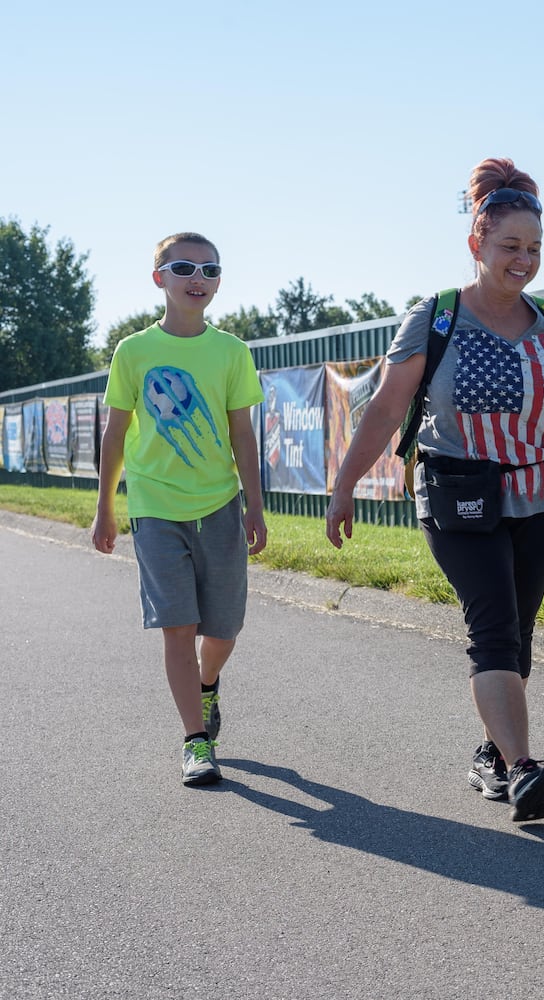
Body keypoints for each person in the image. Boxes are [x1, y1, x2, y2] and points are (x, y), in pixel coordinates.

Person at [325, 157, 544, 823]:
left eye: (534, 249)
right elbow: (388, 409)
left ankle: (494, 755)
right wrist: (344, 488)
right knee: (494, 630)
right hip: (460, 498)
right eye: (510, 246)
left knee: (518, 633)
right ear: (476, 243)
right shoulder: (438, 318)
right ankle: (526, 769)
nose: (523, 260)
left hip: (541, 500)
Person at [91, 232, 268, 787]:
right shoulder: (133, 351)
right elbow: (115, 435)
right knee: (178, 626)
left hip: (219, 504)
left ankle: (207, 683)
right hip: (155, 506)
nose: (199, 278)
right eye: (185, 267)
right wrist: (105, 509)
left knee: (224, 629)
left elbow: (244, 436)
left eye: (211, 270)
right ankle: (196, 741)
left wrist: (255, 507)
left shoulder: (231, 351)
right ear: (159, 279)